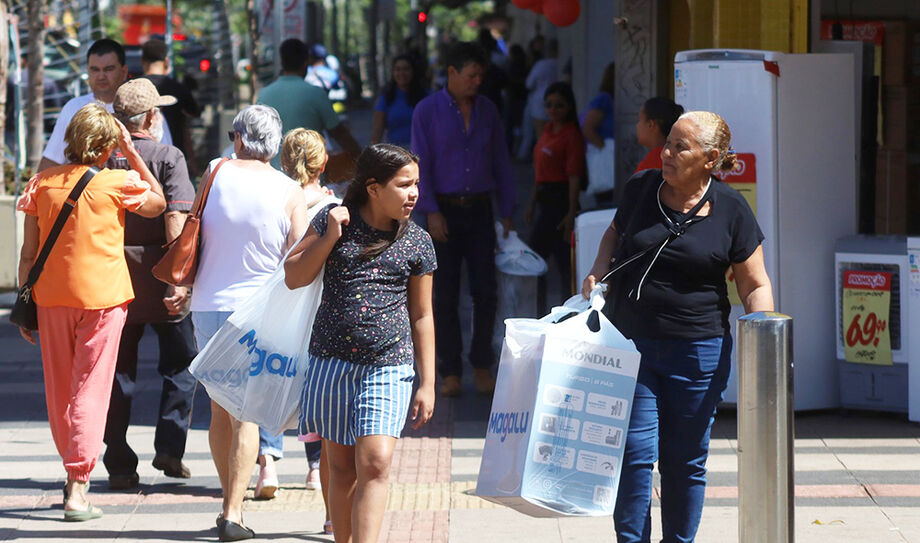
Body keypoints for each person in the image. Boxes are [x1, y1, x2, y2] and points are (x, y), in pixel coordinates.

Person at [581, 111, 774, 543]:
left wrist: (764, 340)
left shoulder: (731, 209)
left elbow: (754, 283)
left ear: (710, 159)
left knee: (684, 460)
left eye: (679, 147)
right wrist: (598, 268)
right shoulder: (640, 188)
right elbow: (614, 232)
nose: (666, 153)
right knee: (633, 454)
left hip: (697, 353)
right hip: (629, 344)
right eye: (667, 142)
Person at [16, 103, 166, 520]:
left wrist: (23, 307)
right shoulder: (117, 182)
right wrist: (133, 153)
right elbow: (157, 203)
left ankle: (72, 468)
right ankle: (78, 484)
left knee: (60, 389)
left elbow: (29, 255)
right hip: (103, 298)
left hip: (51, 297)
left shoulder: (41, 183)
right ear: (107, 145)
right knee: (91, 388)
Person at [284, 144, 436, 543]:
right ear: (373, 188)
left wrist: (428, 382)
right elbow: (294, 276)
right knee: (342, 468)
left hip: (390, 364)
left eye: (416, 184)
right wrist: (331, 236)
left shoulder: (417, 241)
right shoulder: (334, 220)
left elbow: (422, 315)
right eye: (404, 185)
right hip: (331, 362)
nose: (414, 193)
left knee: (376, 463)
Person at [190, 104, 307, 541]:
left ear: (238, 137)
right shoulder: (288, 189)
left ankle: (229, 500)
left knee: (220, 409)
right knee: (247, 414)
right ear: (274, 146)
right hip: (258, 311)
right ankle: (233, 511)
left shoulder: (215, 171)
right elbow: (295, 258)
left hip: (207, 304)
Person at [99, 78, 198, 490]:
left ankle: (119, 462)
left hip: (112, 277)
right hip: (159, 277)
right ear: (153, 116)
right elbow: (176, 216)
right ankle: (169, 448)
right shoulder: (167, 156)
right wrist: (178, 281)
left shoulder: (101, 159)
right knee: (182, 363)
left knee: (116, 372)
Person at [411, 41, 515, 398]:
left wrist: (508, 210)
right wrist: (431, 211)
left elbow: (501, 159)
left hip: (481, 208)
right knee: (445, 294)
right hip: (445, 210)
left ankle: (481, 363)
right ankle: (450, 369)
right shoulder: (427, 111)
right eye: (471, 75)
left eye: (480, 76)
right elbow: (419, 163)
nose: (476, 82)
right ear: (452, 73)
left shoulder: (488, 110)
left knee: (486, 291)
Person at [279, 128, 339, 535]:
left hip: (284, 312)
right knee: (328, 411)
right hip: (325, 315)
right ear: (323, 163)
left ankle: (272, 463)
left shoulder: (277, 198)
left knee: (288, 392)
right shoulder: (336, 206)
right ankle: (327, 498)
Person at [525, 82, 584, 315]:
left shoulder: (572, 135)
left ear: (569, 107)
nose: (553, 109)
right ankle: (540, 313)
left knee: (564, 265)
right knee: (536, 260)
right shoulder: (547, 131)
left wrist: (571, 212)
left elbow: (574, 177)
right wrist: (531, 204)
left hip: (561, 200)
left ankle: (567, 314)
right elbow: (538, 173)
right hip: (544, 199)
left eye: (559, 105)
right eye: (549, 105)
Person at [256, 39, 360, 169]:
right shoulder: (316, 94)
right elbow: (339, 133)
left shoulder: (264, 95)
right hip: (308, 178)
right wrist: (360, 158)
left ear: (282, 63)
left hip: (274, 177)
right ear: (306, 63)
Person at [38, 39, 129, 172]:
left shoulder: (138, 109)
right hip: (81, 190)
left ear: (124, 72)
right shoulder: (73, 108)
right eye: (95, 70)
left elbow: (160, 158)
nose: (101, 76)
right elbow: (52, 159)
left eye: (108, 69)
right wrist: (34, 190)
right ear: (88, 71)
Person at [141, 38, 202, 170]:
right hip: (174, 156)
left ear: (143, 62)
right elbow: (194, 112)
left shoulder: (134, 87)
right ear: (166, 61)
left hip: (140, 156)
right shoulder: (177, 88)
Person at [370, 55, 427, 148]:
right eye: (398, 69)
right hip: (396, 155)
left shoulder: (426, 97)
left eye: (406, 69)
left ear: (413, 71)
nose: (402, 73)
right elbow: (377, 131)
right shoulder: (386, 98)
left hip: (422, 153)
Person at [518, 38, 558, 160]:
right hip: (558, 100)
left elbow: (529, 83)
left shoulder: (542, 65)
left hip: (540, 101)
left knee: (541, 135)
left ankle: (543, 161)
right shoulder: (559, 63)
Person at [634, 97, 684, 173]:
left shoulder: (653, 162)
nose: (637, 125)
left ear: (651, 124)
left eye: (639, 120)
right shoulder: (678, 156)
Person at [583, 62, 616, 151]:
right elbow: (588, 129)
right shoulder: (604, 99)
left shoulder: (618, 100)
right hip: (603, 153)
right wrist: (604, 150)